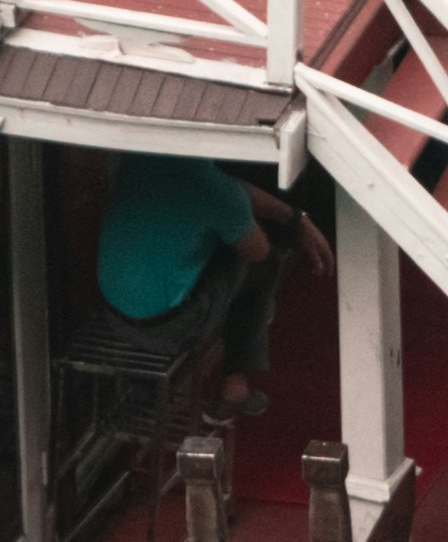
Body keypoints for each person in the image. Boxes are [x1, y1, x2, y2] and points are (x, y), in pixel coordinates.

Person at [98, 150, 306, 408]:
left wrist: (292, 216)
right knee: (262, 264)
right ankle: (235, 388)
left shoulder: (137, 158)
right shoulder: (214, 189)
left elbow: (234, 191)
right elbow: (258, 251)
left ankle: (143, 386)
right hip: (172, 330)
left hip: (112, 317)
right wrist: (286, 222)